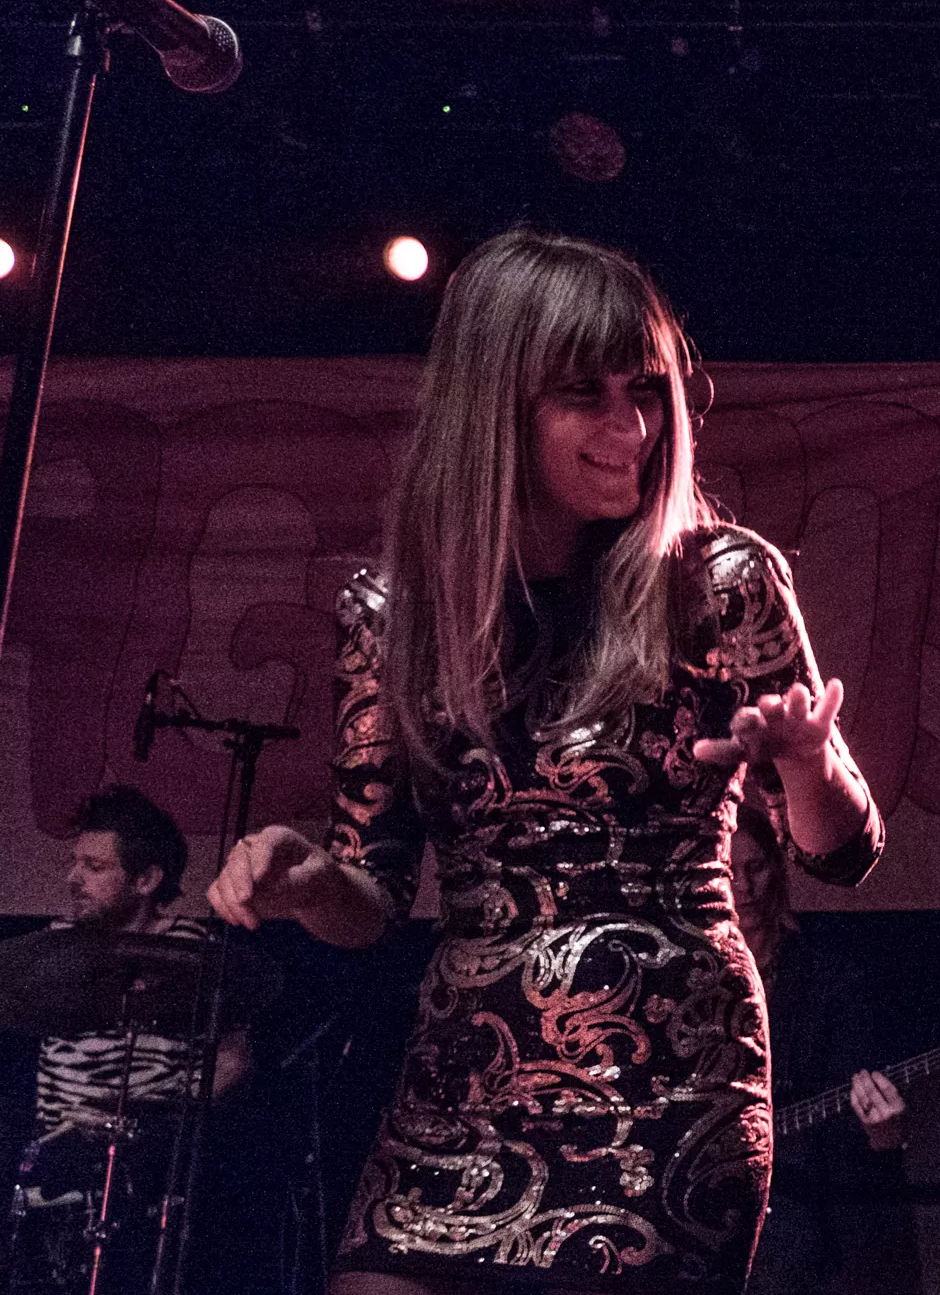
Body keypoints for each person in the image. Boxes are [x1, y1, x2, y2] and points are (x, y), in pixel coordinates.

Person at [206, 229, 884, 1295]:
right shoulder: (391, 613)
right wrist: (307, 880)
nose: (633, 428)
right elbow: (373, 895)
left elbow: (845, 852)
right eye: (586, 395)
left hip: (666, 1087)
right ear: (494, 409)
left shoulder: (722, 582)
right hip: (459, 1086)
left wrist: (805, 765)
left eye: (646, 391)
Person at [13, 786, 249, 1294]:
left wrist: (161, 1118)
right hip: (54, 1163)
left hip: (147, 1169)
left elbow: (232, 1058)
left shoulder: (192, 951)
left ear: (146, 880)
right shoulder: (53, 948)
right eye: (75, 863)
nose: (73, 878)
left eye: (94, 867)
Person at [729, 807, 917, 1295]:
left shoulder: (829, 981)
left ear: (778, 869)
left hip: (805, 1204)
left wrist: (883, 1135)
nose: (744, 887)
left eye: (756, 867)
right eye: (729, 871)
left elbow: (854, 1121)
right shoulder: (691, 981)